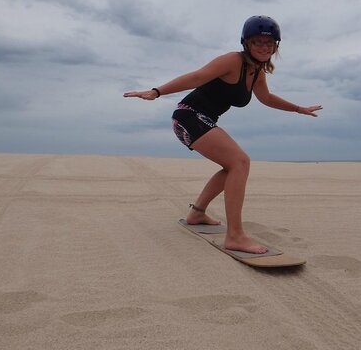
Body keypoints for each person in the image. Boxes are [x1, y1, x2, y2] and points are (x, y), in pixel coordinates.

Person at [123, 15, 322, 254]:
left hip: (201, 119)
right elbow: (197, 77)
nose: (264, 47)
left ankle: (197, 213)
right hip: (189, 116)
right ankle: (235, 236)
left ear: (276, 46)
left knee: (233, 167)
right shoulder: (232, 61)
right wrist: (157, 92)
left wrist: (298, 109)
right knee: (241, 162)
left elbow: (266, 98)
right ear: (246, 43)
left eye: (269, 43)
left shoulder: (257, 72)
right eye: (257, 41)